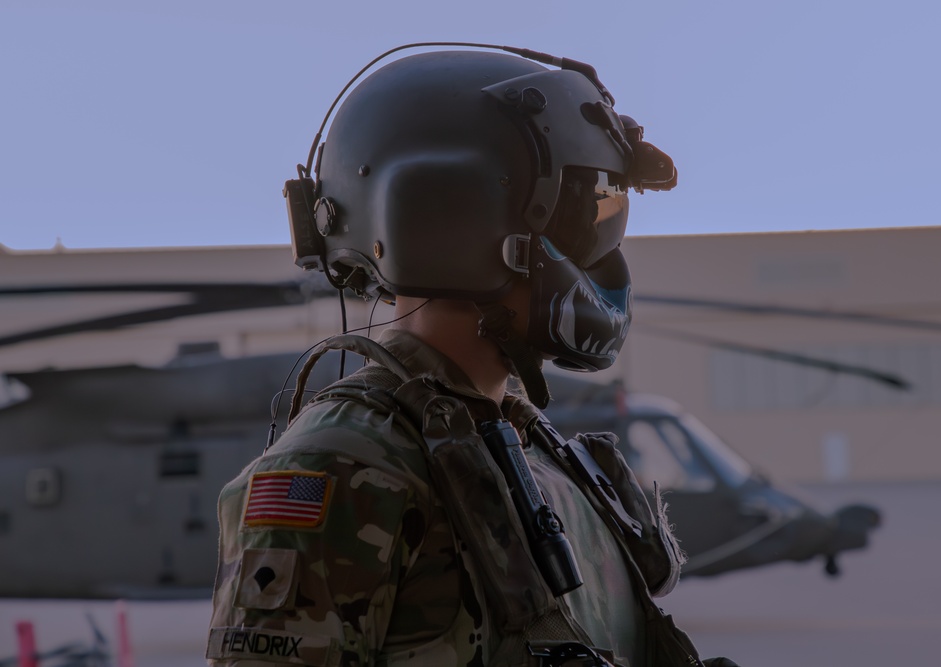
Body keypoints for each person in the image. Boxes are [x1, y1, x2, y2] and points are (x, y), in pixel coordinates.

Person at [207, 45, 737, 666]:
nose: (600, 256)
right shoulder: (342, 468)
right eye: (579, 216)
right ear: (455, 219)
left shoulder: (536, 457)